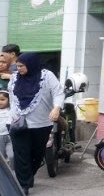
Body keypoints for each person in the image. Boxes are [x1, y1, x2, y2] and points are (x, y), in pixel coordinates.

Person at [8, 53, 64, 194]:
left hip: (41, 123)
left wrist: (56, 108)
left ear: (31, 64)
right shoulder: (15, 78)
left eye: (21, 66)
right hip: (17, 123)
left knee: (38, 154)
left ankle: (28, 176)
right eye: (17, 66)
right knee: (21, 154)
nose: (18, 69)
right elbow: (11, 97)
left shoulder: (46, 76)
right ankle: (23, 185)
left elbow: (58, 92)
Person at [0, 91, 12, 167]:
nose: (0, 102)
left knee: (12, 156)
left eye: (2, 99)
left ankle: (13, 174)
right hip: (0, 137)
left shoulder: (12, 110)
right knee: (2, 158)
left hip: (10, 136)